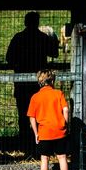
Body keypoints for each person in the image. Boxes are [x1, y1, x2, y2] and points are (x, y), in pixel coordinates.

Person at [6, 11, 59, 155]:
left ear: (25, 22)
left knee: (23, 115)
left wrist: (20, 63)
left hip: (22, 85)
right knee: (41, 115)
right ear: (37, 23)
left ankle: (24, 146)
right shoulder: (42, 38)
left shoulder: (18, 38)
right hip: (38, 84)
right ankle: (40, 147)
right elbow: (55, 53)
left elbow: (8, 58)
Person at [27, 69, 72, 170]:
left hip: (45, 132)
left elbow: (32, 117)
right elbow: (66, 110)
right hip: (59, 130)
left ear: (40, 81)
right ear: (52, 80)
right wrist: (65, 125)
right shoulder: (58, 93)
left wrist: (36, 133)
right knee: (62, 157)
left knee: (44, 159)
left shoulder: (35, 97)